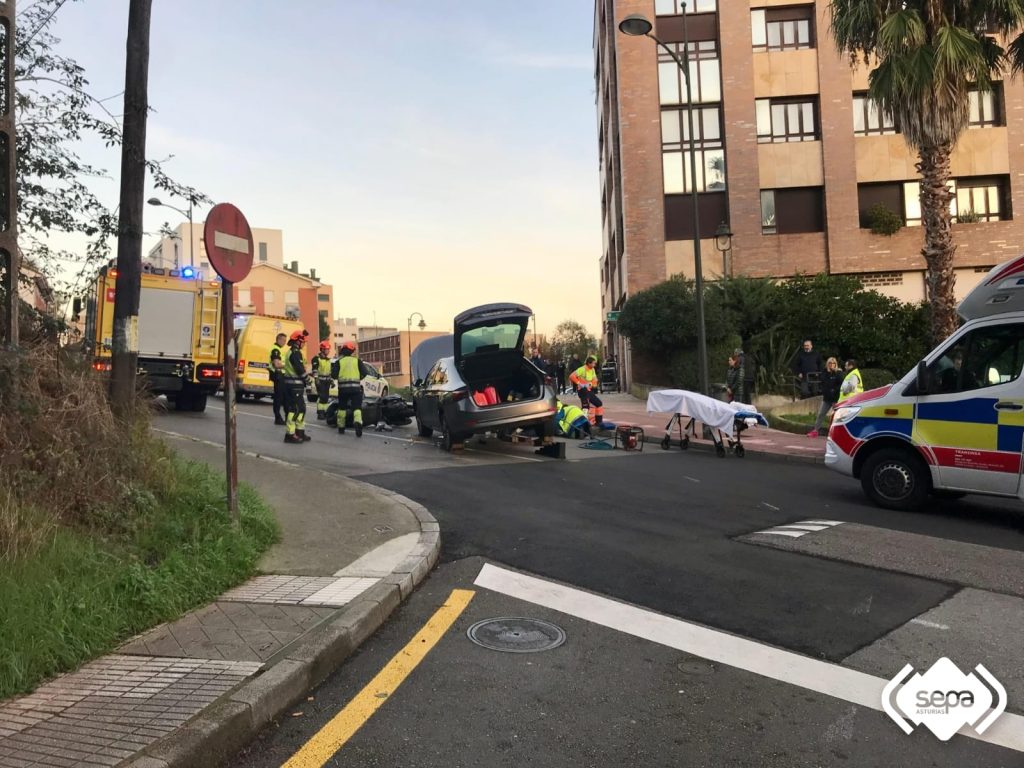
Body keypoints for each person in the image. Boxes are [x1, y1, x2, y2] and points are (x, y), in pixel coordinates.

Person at [333, 340, 372, 437]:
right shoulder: (357, 361)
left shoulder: (339, 362)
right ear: (352, 351)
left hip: (343, 390)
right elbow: (365, 373)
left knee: (342, 408)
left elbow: (333, 375)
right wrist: (359, 379)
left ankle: (341, 427)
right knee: (357, 408)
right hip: (356, 389)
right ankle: (358, 422)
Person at [282, 329, 311, 444]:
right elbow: (299, 369)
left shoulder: (293, 352)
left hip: (295, 385)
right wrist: (307, 379)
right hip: (294, 386)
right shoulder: (295, 353)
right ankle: (290, 435)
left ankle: (300, 432)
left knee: (301, 409)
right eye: (303, 342)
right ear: (298, 341)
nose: (304, 344)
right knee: (295, 410)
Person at [807, 357, 842, 438]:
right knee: (821, 414)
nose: (832, 365)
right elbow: (823, 381)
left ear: (835, 364)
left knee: (837, 416)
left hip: (835, 398)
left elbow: (840, 384)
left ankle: (838, 432)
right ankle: (815, 430)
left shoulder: (838, 373)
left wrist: (834, 390)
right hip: (826, 398)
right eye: (830, 363)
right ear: (827, 364)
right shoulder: (825, 372)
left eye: (833, 363)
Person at [569, 355, 605, 427]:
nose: (595, 365)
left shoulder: (592, 370)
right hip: (582, 390)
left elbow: (595, 380)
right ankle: (582, 425)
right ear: (589, 363)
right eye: (593, 363)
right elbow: (571, 376)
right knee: (585, 407)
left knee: (599, 403)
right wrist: (579, 383)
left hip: (588, 390)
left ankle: (598, 422)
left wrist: (592, 384)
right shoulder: (582, 369)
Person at [311, 340, 334, 420]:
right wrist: (316, 379)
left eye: (328, 349)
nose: (328, 351)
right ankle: (320, 413)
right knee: (322, 397)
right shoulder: (316, 359)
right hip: (320, 380)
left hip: (327, 381)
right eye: (327, 349)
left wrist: (331, 381)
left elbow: (329, 372)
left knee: (326, 397)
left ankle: (324, 412)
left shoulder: (328, 360)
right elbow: (314, 370)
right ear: (322, 349)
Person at [269, 332, 288, 425]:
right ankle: (278, 418)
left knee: (283, 397)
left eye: (285, 340)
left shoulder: (279, 349)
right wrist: (288, 366)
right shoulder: (275, 349)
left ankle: (284, 417)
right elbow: (276, 364)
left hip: (281, 376)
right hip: (278, 375)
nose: (285, 342)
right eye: (283, 340)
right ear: (278, 339)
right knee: (278, 398)